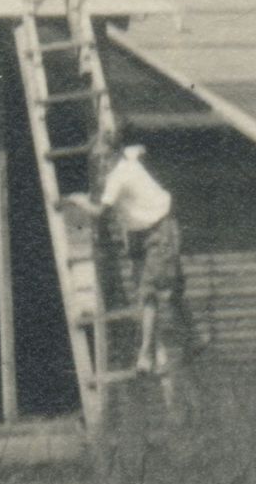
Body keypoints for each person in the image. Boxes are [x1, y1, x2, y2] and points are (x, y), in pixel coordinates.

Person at [70, 141, 183, 381]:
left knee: (150, 291)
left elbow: (99, 212)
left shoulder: (118, 178)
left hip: (159, 228)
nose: (100, 165)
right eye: (97, 160)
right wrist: (137, 148)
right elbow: (136, 149)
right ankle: (170, 345)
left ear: (113, 157)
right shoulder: (128, 158)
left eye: (103, 159)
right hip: (139, 232)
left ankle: (146, 355)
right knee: (150, 291)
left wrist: (78, 200)